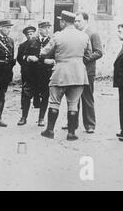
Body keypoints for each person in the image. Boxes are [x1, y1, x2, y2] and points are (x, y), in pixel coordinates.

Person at [39, 11, 92, 141]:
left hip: (60, 73)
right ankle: (71, 133)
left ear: (63, 22)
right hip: (79, 74)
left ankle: (50, 131)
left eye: (60, 21)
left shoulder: (58, 36)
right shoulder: (84, 36)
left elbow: (44, 53)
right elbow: (88, 54)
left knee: (54, 102)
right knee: (73, 104)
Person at [74, 12, 103, 133]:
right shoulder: (74, 34)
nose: (76, 23)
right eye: (75, 21)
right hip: (74, 71)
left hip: (87, 71)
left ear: (86, 21)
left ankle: (90, 124)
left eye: (79, 21)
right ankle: (72, 123)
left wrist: (85, 59)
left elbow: (99, 52)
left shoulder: (93, 34)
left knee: (87, 98)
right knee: (73, 98)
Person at [26, 20, 54, 127]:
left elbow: (57, 56)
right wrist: (29, 57)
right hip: (33, 73)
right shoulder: (32, 41)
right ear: (40, 29)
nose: (47, 30)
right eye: (45, 28)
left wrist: (52, 61)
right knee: (30, 94)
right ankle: (24, 117)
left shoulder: (52, 41)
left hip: (46, 73)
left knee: (45, 95)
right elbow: (24, 55)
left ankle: (41, 118)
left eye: (48, 28)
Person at [17, 25, 37, 126]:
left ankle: (41, 118)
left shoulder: (39, 43)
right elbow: (19, 59)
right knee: (25, 94)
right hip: (27, 73)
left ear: (34, 33)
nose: (30, 36)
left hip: (38, 74)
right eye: (28, 34)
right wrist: (26, 65)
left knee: (40, 94)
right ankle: (24, 117)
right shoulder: (22, 46)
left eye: (31, 33)